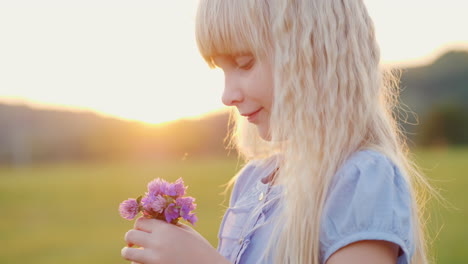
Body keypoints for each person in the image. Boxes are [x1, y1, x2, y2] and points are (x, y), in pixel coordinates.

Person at [121, 0, 442, 263]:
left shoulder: (359, 179)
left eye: (244, 63)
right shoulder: (251, 182)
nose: (226, 95)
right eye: (222, 70)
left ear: (315, 55)